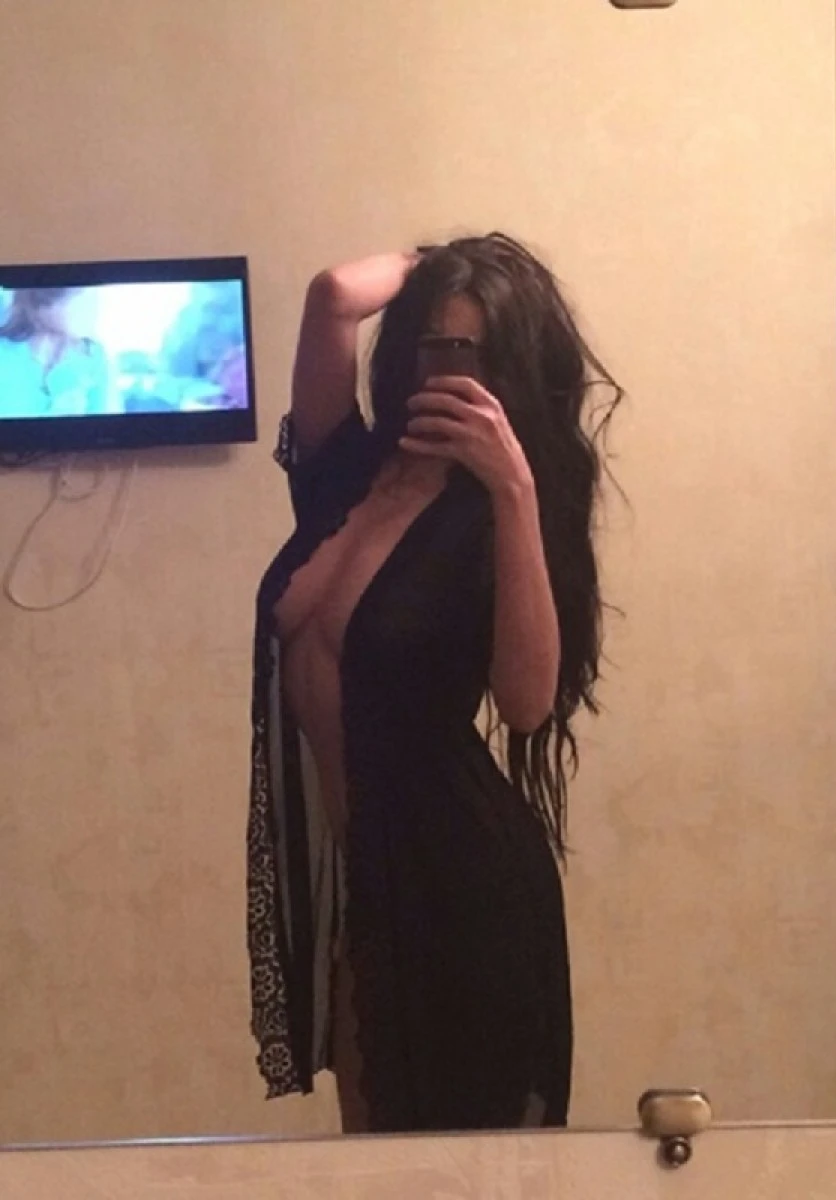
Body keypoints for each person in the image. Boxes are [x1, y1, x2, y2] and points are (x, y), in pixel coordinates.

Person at [246, 232, 621, 1134]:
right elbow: (334, 295)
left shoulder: (499, 512)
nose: (450, 369)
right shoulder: (345, 474)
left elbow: (526, 703)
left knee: (468, 1173)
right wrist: (440, 263)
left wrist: (514, 490)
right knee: (374, 1159)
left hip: (465, 891)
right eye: (433, 344)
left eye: (475, 352)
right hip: (367, 891)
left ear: (514, 367)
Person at [0, 287, 111, 417]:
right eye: (79, 298)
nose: (90, 310)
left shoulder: (94, 355)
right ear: (41, 305)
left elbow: (108, 422)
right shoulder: (4, 353)